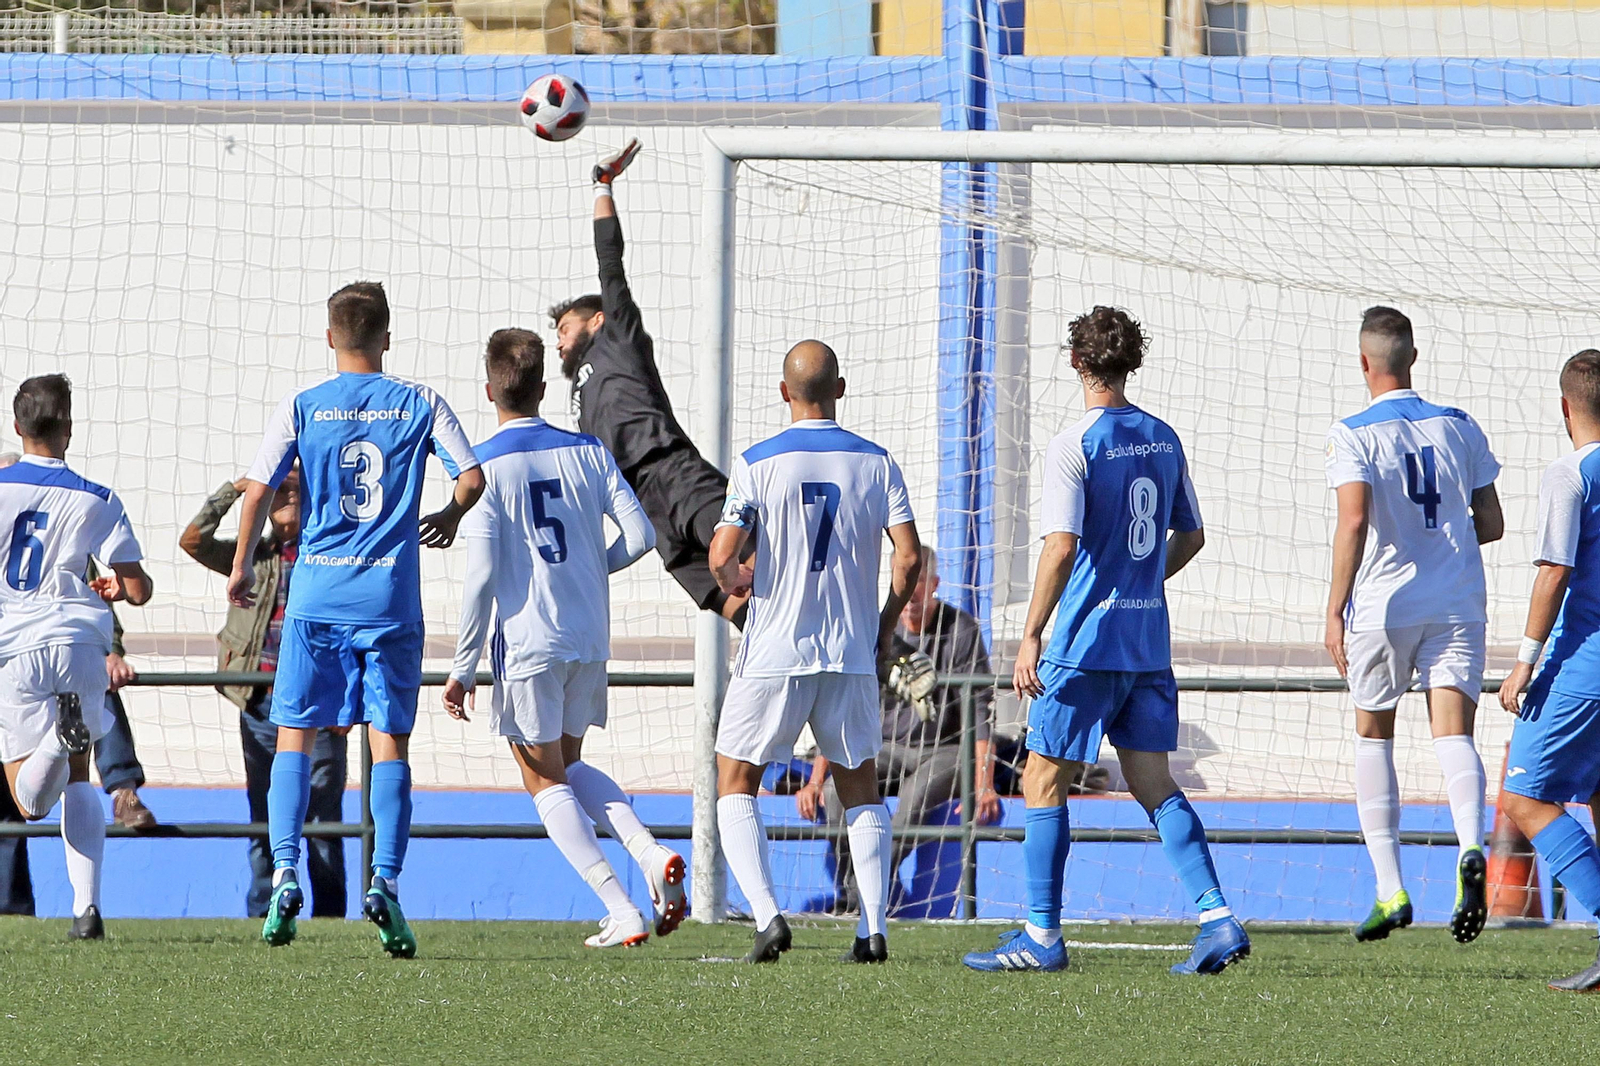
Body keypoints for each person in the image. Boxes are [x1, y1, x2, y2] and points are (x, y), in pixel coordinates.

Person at [962, 306, 1248, 976]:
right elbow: (1193, 535)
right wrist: (1140, 577)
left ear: (1075, 361)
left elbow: (1060, 547)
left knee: (1041, 778)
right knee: (1153, 782)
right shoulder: (1163, 437)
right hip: (1146, 642)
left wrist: (1031, 632)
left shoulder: (1074, 444)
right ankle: (1216, 916)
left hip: (1085, 644)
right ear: (1132, 361)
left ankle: (1040, 935)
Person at [230, 281, 483, 956]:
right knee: (388, 743)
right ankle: (386, 882)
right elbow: (473, 477)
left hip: (316, 597)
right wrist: (451, 517)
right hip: (389, 598)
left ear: (329, 337)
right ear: (387, 338)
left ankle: (286, 873)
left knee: (294, 737)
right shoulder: (420, 400)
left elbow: (256, 490)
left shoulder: (303, 406)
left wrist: (239, 568)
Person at [442, 328, 687, 948]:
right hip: (587, 636)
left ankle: (620, 907)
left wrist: (464, 664)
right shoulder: (588, 451)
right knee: (569, 765)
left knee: (542, 779)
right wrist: (584, 571)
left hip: (528, 640)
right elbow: (639, 537)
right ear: (543, 388)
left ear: (489, 388)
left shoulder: (482, 467)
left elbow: (479, 579)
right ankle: (650, 853)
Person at [709, 339, 922, 965]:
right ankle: (873, 928)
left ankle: (769, 918)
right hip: (850, 651)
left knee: (736, 780)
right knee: (861, 785)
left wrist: (736, 584)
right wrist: (882, 623)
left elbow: (722, 554)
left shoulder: (758, 462)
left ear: (784, 393)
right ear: (841, 389)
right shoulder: (877, 462)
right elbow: (908, 557)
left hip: (776, 647)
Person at [1323, 306, 1502, 945]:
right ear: (1414, 358)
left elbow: (1352, 521)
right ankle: (1469, 848)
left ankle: (1389, 887)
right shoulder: (1459, 425)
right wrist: (1443, 536)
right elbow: (1493, 522)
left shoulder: (1351, 433)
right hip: (1456, 601)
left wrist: (1334, 606)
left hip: (1383, 605)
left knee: (1374, 734)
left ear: (1365, 363)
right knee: (1453, 732)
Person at [551, 140, 748, 626]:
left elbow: (609, 261)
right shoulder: (577, 391)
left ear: (597, 319)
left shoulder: (617, 334)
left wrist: (601, 185)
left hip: (676, 474)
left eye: (563, 328)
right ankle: (784, 656)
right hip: (646, 508)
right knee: (727, 602)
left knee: (760, 560)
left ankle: (887, 651)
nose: (557, 341)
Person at [0, 374, 153, 940]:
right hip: (81, 640)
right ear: (69, 426)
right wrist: (118, 584)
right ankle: (86, 910)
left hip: (16, 647)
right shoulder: (99, 497)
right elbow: (136, 589)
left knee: (29, 801)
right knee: (80, 777)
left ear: (18, 427)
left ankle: (51, 742)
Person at [180, 468, 349, 920]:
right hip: (261, 704)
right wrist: (236, 489)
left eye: (297, 488)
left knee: (323, 820)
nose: (287, 496)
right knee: (265, 816)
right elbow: (194, 540)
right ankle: (264, 910)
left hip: (319, 706)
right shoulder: (252, 556)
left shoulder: (332, 553)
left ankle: (330, 917)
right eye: (279, 490)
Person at [797, 545, 1000, 911]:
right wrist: (814, 781)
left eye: (918, 581)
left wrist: (985, 782)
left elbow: (982, 709)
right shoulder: (875, 631)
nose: (910, 592)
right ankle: (857, 890)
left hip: (944, 749)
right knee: (832, 793)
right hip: (884, 746)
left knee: (915, 797)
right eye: (903, 581)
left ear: (934, 583)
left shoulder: (962, 630)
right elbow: (842, 707)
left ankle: (864, 894)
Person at [1498, 348, 1600, 992]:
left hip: (1585, 660)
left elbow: (1555, 571)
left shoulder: (1571, 473)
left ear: (1565, 407)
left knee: (1523, 797)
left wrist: (1523, 661)